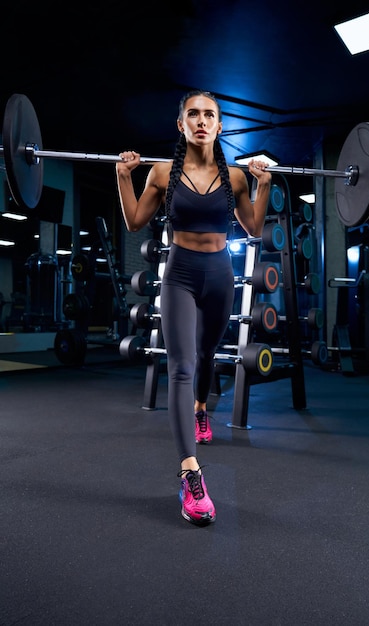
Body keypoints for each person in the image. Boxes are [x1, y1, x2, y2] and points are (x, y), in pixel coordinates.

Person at [116, 89, 271, 525]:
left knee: (206, 357)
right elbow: (133, 221)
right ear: (181, 125)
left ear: (220, 126)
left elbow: (254, 227)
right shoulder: (163, 173)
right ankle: (190, 474)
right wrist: (124, 176)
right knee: (181, 366)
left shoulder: (237, 177)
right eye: (193, 114)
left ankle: (201, 410)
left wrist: (265, 184)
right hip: (180, 273)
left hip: (220, 274)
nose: (202, 121)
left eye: (210, 115)